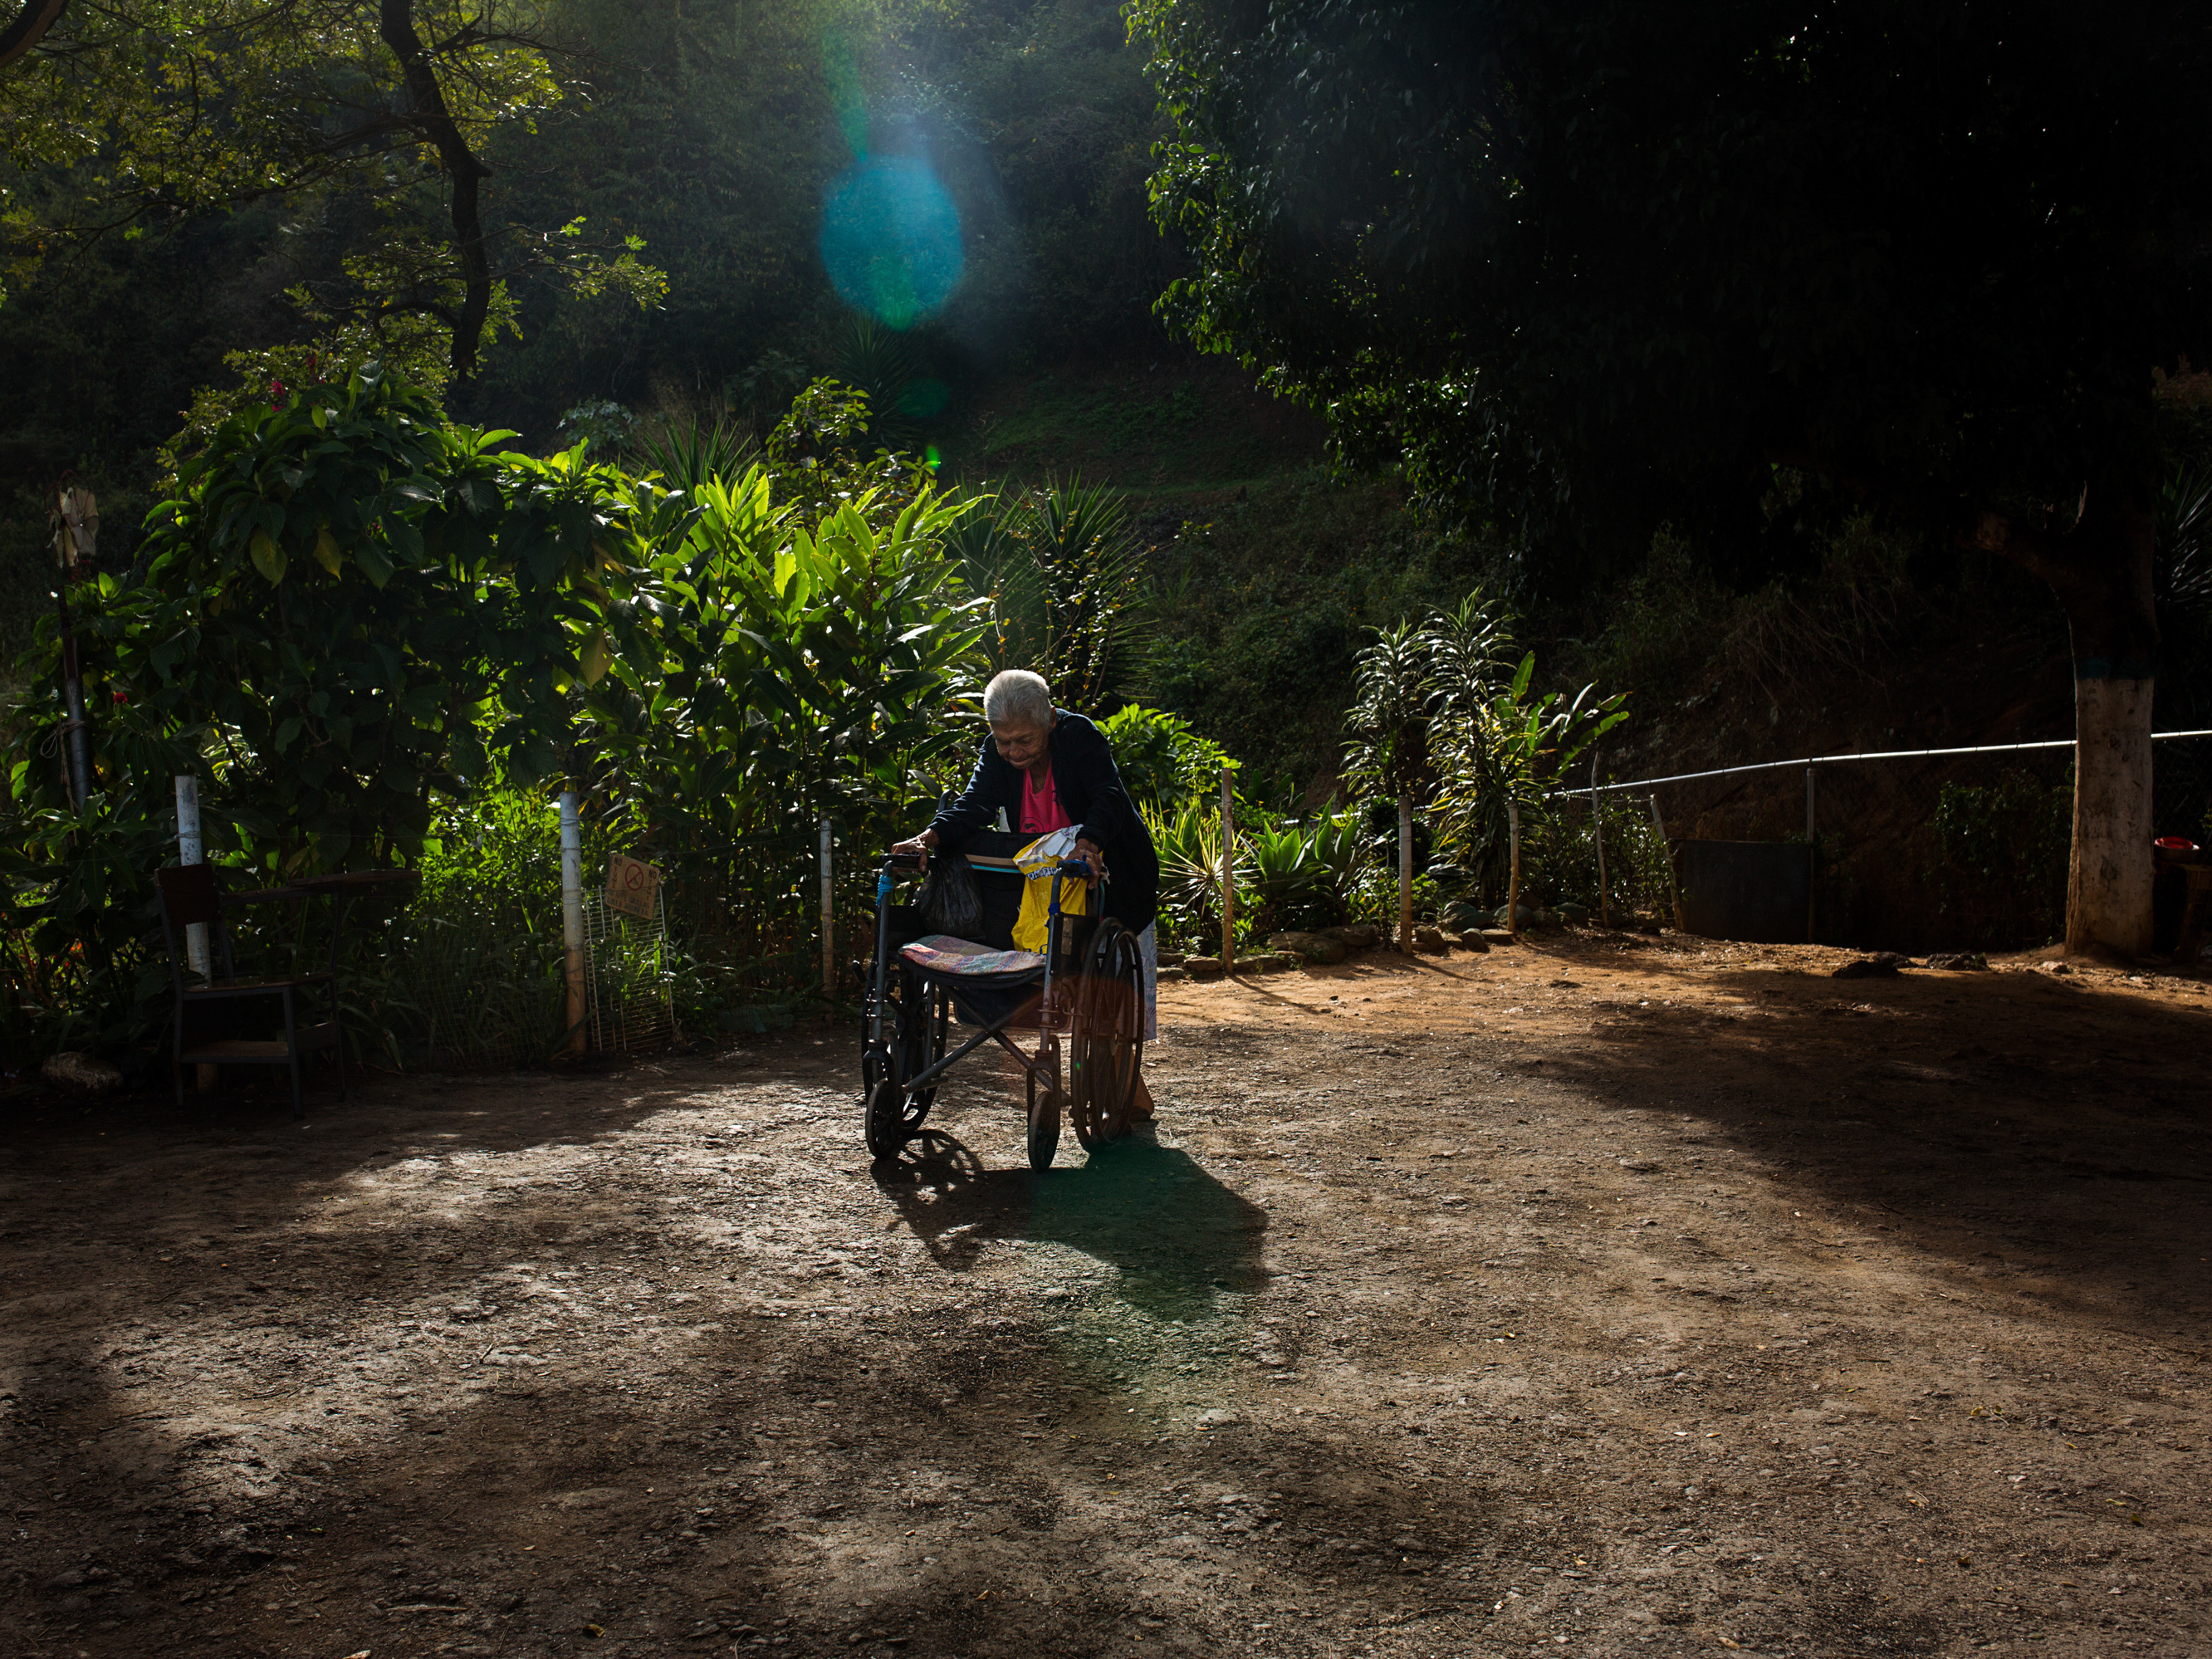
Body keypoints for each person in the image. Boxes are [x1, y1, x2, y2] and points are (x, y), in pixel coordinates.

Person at [890, 668, 1162, 1123]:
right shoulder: (998, 755)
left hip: (1111, 873)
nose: (1013, 752)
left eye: (1025, 741)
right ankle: (1102, 1076)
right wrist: (929, 838)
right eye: (1003, 741)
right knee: (1056, 966)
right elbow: (976, 802)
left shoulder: (1080, 737)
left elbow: (1107, 797)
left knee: (1109, 981)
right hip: (1043, 882)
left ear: (1050, 721)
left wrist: (1089, 845)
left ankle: (1123, 1077)